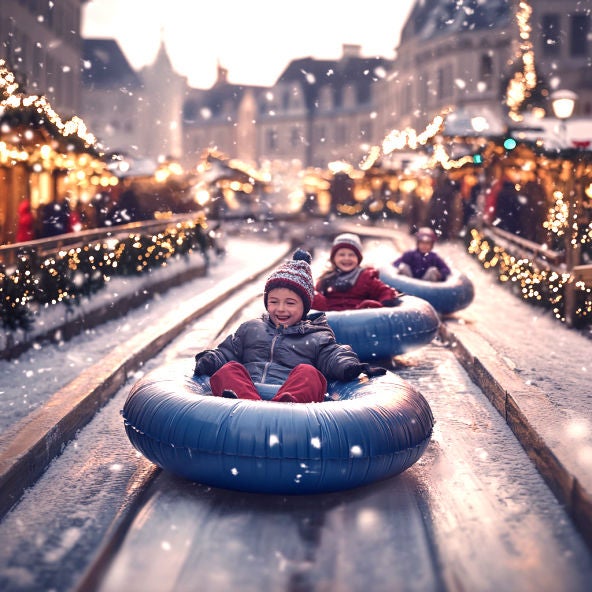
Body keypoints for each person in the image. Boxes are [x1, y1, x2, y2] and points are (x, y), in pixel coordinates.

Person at [193, 249, 385, 403]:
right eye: (274, 301)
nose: (281, 309)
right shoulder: (251, 329)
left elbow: (334, 355)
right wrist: (211, 360)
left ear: (305, 307)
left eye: (290, 303)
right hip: (249, 392)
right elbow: (227, 352)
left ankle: (287, 406)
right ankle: (242, 404)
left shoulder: (317, 336)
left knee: (309, 373)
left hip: (289, 395)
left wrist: (350, 367)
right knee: (229, 369)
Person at [312, 233, 401, 311]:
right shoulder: (326, 279)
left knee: (369, 304)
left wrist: (385, 302)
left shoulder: (366, 277)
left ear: (358, 259)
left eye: (351, 255)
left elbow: (384, 291)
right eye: (341, 255)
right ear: (334, 259)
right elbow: (318, 296)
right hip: (332, 320)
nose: (346, 258)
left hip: (358, 320)